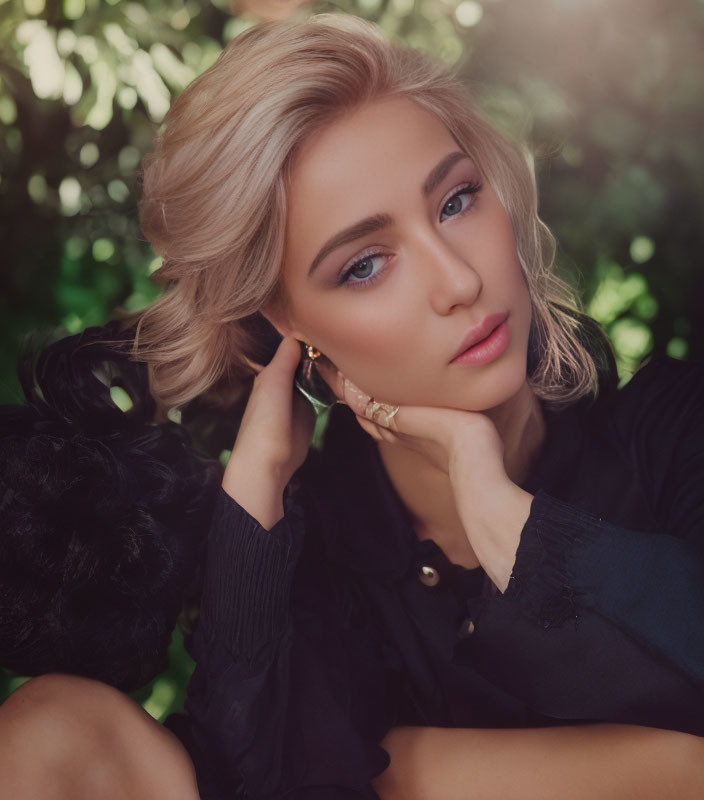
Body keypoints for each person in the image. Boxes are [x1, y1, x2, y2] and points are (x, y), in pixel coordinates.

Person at [1, 11, 704, 800]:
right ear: (291, 322)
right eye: (366, 264)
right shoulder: (317, 575)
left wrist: (502, 517)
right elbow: (254, 778)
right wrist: (257, 482)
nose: (458, 281)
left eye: (456, 201)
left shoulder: (673, 431)